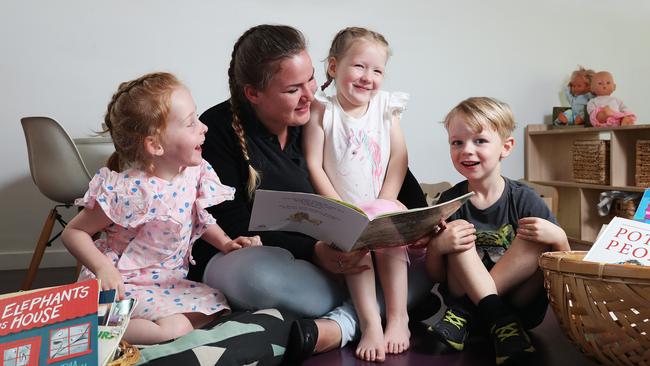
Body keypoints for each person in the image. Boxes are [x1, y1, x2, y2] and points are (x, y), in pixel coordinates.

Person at [188, 24, 437, 363]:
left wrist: (420, 221)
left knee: (428, 257)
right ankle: (365, 315)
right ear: (253, 94)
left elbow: (384, 164)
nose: (310, 93)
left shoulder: (322, 112)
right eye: (293, 89)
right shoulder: (218, 129)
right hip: (281, 259)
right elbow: (227, 219)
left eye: (310, 79)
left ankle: (347, 321)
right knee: (255, 277)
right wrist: (315, 250)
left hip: (344, 257)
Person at [61, 72, 262, 345]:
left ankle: (115, 323)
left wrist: (226, 243)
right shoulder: (130, 190)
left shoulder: (193, 173)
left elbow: (199, 217)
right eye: (191, 123)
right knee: (167, 330)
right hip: (125, 282)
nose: (203, 128)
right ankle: (92, 323)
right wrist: (102, 269)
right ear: (155, 144)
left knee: (216, 306)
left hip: (166, 282)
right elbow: (73, 233)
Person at [425, 97, 570, 365]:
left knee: (536, 236)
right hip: (464, 319)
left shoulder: (524, 199)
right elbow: (435, 275)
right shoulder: (449, 202)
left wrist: (559, 238)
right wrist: (437, 246)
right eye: (457, 142)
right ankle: (495, 316)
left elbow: (564, 264)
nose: (466, 150)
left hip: (513, 311)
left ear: (506, 147)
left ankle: (484, 312)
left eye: (479, 141)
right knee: (457, 232)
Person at [303, 27, 410, 361]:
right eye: (359, 66)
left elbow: (399, 158)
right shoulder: (323, 110)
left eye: (377, 70)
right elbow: (314, 164)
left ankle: (398, 318)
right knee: (357, 253)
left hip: (380, 204)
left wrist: (389, 199)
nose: (368, 77)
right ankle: (369, 323)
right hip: (343, 207)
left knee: (392, 240)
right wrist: (337, 207)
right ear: (334, 67)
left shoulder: (385, 107)